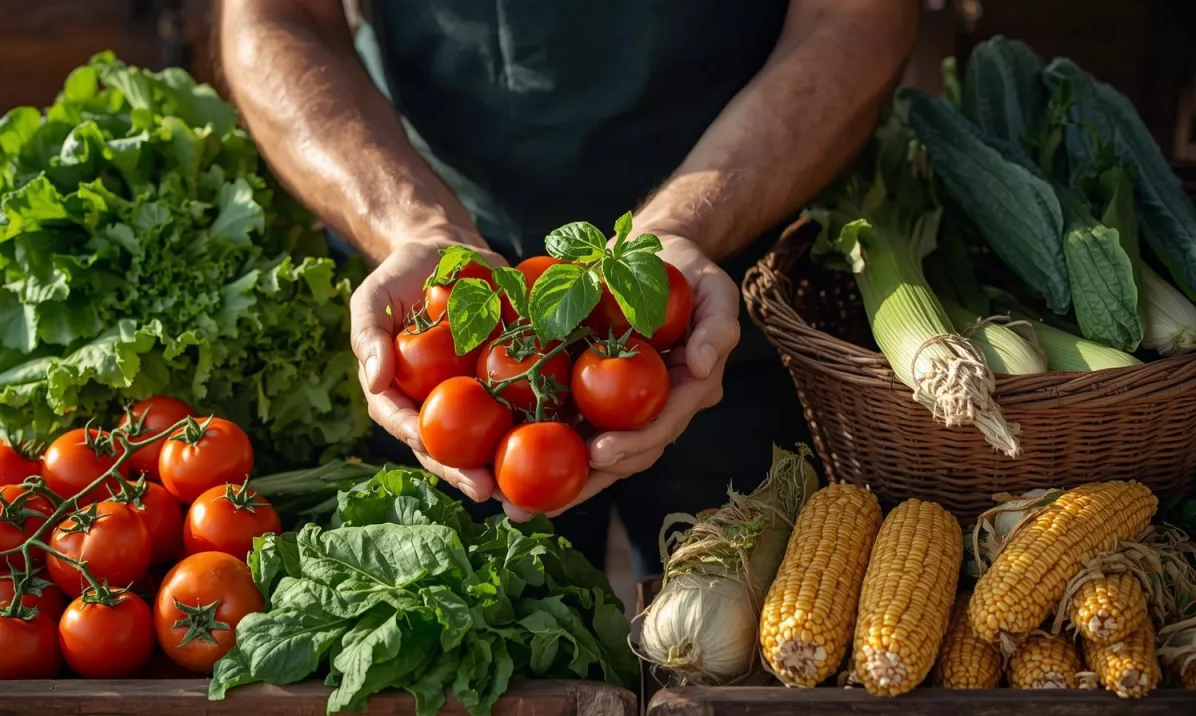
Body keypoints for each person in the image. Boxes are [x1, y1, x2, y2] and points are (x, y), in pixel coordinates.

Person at [218, 0, 918, 571]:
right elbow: (278, 16)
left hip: (738, 289)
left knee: (732, 659)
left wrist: (680, 231)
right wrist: (412, 224)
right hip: (435, 282)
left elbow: (853, 16)